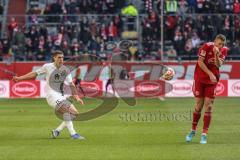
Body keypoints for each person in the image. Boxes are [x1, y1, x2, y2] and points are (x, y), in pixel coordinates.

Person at [12, 51, 85, 140]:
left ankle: (57, 131)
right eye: (59, 57)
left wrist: (76, 97)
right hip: (52, 95)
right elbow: (34, 73)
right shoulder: (47, 66)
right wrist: (20, 78)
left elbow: (71, 84)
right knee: (67, 112)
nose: (61, 59)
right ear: (54, 58)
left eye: (62, 57)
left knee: (74, 114)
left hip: (61, 96)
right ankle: (73, 134)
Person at [185, 34, 228, 144]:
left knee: (208, 106)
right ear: (214, 42)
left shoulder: (223, 50)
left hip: (212, 81)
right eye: (219, 44)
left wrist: (216, 54)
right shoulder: (205, 46)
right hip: (200, 79)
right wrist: (209, 74)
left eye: (223, 44)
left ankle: (204, 134)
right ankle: (193, 130)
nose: (221, 46)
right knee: (198, 106)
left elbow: (219, 65)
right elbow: (200, 62)